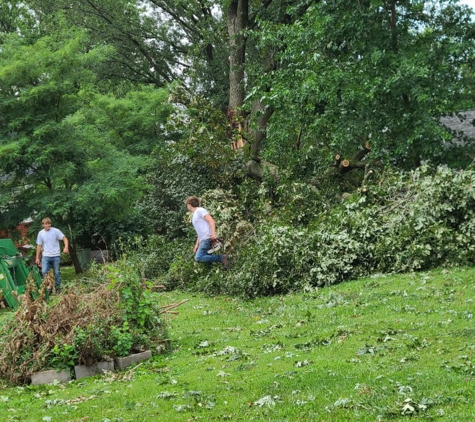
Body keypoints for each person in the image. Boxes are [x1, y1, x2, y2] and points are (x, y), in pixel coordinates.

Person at [185, 196, 229, 269]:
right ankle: (215, 268)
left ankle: (222, 258)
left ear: (189, 204)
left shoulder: (199, 210)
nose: (187, 207)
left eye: (187, 205)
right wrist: (196, 245)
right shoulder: (194, 215)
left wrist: (213, 233)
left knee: (198, 257)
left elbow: (211, 220)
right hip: (203, 239)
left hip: (206, 238)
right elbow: (199, 231)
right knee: (205, 256)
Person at [35, 217, 69, 294]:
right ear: (42, 225)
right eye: (46, 224)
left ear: (50, 224)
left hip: (56, 255)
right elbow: (39, 246)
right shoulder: (41, 233)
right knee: (44, 271)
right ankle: (49, 287)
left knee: (57, 273)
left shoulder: (56, 231)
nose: (47, 225)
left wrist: (66, 247)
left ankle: (57, 289)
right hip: (46, 256)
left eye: (49, 224)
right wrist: (37, 258)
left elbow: (65, 239)